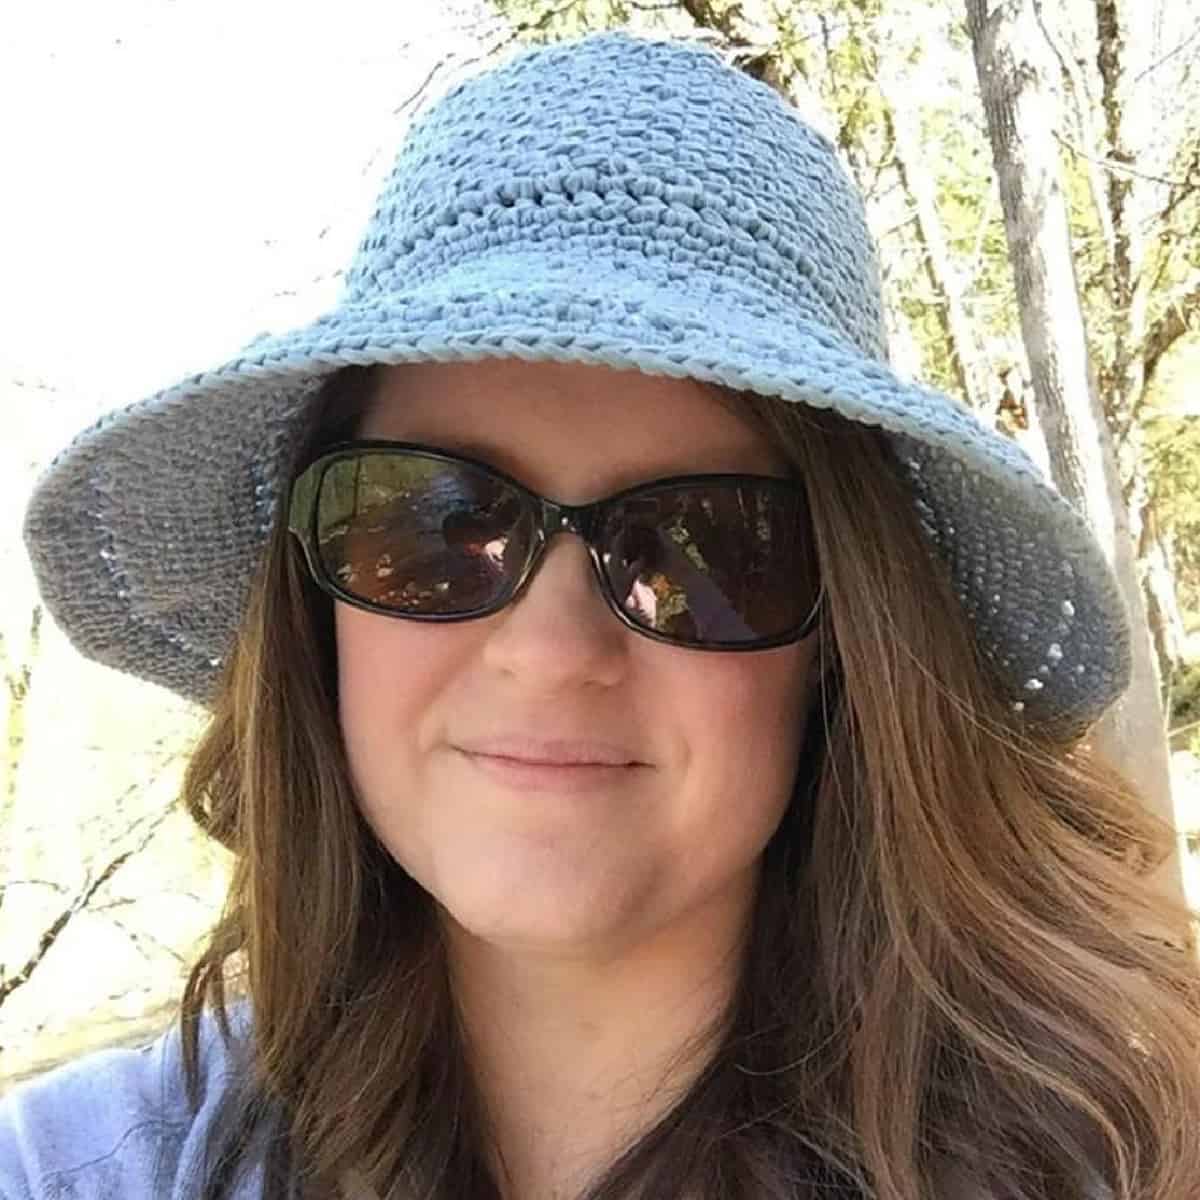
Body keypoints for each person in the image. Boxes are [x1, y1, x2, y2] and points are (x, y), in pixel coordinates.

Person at [5, 26, 1199, 1200]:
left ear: (846, 643)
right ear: (314, 609)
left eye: (704, 544)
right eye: (433, 522)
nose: (551, 650)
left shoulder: (1115, 1157)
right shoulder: (78, 1168)